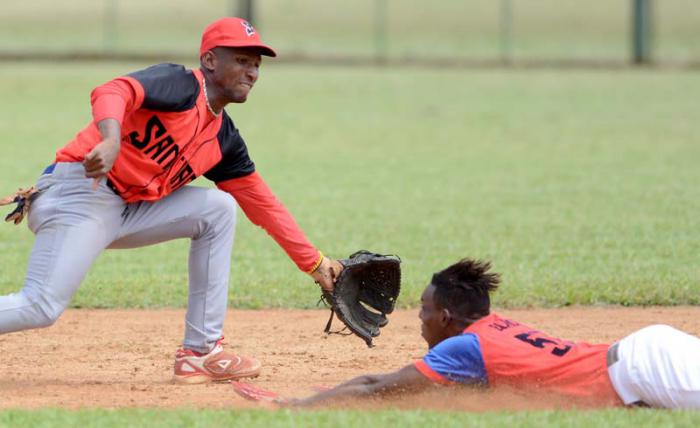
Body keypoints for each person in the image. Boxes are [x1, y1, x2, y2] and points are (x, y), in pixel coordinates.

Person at [0, 17, 343, 384]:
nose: (253, 71)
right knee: (41, 306)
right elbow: (112, 91)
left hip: (128, 210)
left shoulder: (224, 140)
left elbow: (263, 204)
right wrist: (111, 139)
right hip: (81, 193)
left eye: (256, 63)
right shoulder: (180, 85)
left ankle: (200, 352)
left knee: (218, 209)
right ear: (210, 61)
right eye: (242, 60)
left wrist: (316, 264)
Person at [287, 259, 700, 409]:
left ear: (447, 318)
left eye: (424, 312)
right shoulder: (494, 328)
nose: (420, 321)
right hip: (646, 353)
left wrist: (299, 407)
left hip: (647, 370)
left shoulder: (467, 347)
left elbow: (377, 385)